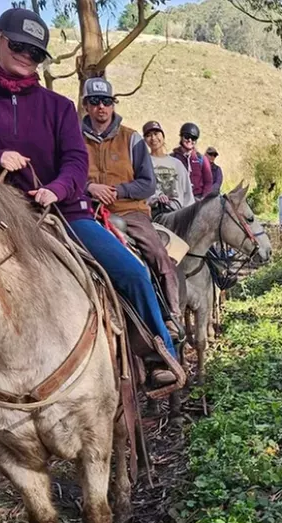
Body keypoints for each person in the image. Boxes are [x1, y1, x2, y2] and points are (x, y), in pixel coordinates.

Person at [0, 7, 182, 419]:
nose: (27, 55)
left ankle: (157, 352)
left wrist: (55, 189)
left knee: (130, 271)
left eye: (36, 52)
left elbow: (76, 163)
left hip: (61, 213)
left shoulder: (59, 107)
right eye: (19, 46)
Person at [80, 79, 182, 333]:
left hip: (130, 210)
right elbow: (66, 172)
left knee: (157, 253)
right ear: (86, 106)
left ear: (113, 105)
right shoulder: (73, 138)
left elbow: (148, 184)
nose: (101, 107)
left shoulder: (132, 138)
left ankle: (171, 314)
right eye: (94, 102)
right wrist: (89, 188)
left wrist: (118, 191)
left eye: (106, 102)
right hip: (85, 210)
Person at [142, 120, 194, 213]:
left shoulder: (177, 164)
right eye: (148, 135)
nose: (153, 138)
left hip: (178, 213)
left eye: (156, 133)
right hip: (156, 212)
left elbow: (187, 194)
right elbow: (143, 188)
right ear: (145, 140)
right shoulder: (144, 163)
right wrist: (156, 197)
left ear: (163, 136)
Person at [170, 122, 214, 200]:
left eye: (193, 138)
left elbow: (208, 182)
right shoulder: (172, 158)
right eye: (187, 137)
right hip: (178, 199)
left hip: (198, 198)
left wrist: (203, 199)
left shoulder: (201, 159)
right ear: (181, 137)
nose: (190, 140)